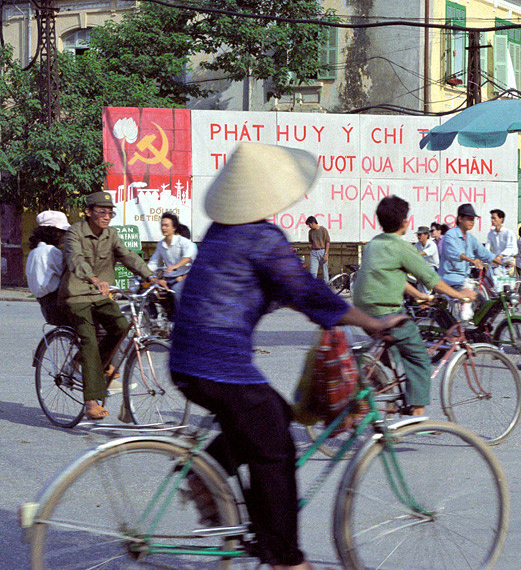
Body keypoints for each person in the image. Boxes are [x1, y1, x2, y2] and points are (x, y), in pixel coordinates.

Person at [169, 143, 403, 570]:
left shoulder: (219, 233)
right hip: (219, 363)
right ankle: (286, 559)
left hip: (187, 361)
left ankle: (204, 477)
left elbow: (268, 290)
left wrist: (317, 310)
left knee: (272, 415)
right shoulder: (262, 238)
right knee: (275, 450)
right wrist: (368, 321)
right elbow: (304, 289)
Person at [353, 195, 476, 416]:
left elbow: (393, 277)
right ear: (404, 222)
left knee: (398, 349)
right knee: (419, 356)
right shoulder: (401, 247)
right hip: (386, 313)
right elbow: (431, 279)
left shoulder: (374, 244)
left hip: (364, 313)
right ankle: (417, 415)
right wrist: (458, 294)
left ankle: (377, 376)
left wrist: (420, 295)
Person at [60, 191, 165, 420]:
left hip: (101, 296)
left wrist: (151, 277)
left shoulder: (111, 234)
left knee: (121, 328)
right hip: (77, 294)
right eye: (101, 212)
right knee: (89, 340)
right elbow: (76, 259)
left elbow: (128, 256)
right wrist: (94, 279)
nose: (107, 217)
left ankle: (90, 364)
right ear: (88, 212)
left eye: (110, 213)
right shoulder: (74, 233)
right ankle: (90, 401)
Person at [439, 203, 503, 289]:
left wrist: (501, 262)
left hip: (465, 280)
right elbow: (455, 253)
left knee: (483, 299)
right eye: (469, 219)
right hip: (450, 280)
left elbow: (482, 251)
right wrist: (472, 260)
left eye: (473, 219)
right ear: (460, 219)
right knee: (473, 298)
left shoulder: (470, 237)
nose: (472, 222)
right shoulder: (450, 235)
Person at [26, 210, 71, 326]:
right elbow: (67, 274)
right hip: (56, 305)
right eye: (62, 232)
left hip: (45, 306)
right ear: (53, 232)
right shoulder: (51, 251)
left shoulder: (34, 252)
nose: (64, 236)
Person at [148, 211, 198, 303]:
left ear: (174, 228)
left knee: (176, 291)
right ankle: (151, 315)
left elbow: (188, 256)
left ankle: (182, 316)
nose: (163, 228)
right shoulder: (160, 244)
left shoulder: (183, 242)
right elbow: (153, 263)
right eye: (162, 225)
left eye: (166, 226)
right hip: (168, 278)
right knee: (148, 290)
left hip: (183, 278)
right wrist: (145, 273)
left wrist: (175, 266)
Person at [486, 208, 516, 273]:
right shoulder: (491, 233)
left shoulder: (508, 232)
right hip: (495, 261)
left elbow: (511, 248)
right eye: (491, 218)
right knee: (486, 276)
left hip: (506, 261)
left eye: (494, 218)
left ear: (501, 219)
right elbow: (487, 247)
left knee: (496, 272)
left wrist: (500, 256)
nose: (492, 220)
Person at [305, 216, 330, 284]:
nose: (309, 226)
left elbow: (327, 242)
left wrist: (326, 254)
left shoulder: (323, 230)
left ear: (313, 223)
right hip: (314, 252)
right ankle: (313, 289)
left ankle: (327, 288)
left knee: (325, 271)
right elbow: (311, 241)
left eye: (309, 224)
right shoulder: (310, 232)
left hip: (322, 251)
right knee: (313, 272)